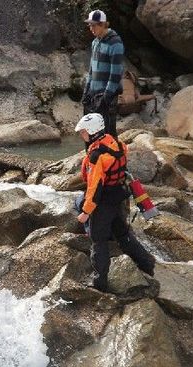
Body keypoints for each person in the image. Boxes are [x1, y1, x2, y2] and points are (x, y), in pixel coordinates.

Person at [75, 113, 155, 292]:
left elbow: (95, 188)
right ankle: (147, 264)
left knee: (98, 241)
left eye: (83, 132)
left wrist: (86, 211)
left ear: (92, 131)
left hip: (103, 203)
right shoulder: (117, 144)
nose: (82, 135)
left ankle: (99, 282)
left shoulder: (97, 156)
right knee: (123, 235)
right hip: (118, 197)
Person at [81, 9, 124, 137]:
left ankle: (113, 157)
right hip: (93, 94)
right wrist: (86, 91)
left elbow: (116, 73)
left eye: (94, 25)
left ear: (103, 24)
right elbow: (91, 70)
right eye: (90, 25)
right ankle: (92, 156)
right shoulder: (95, 42)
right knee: (90, 132)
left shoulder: (115, 43)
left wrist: (106, 97)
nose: (91, 28)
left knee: (108, 133)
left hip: (107, 96)